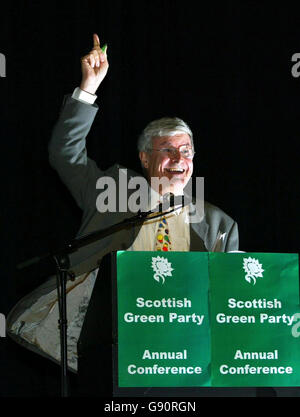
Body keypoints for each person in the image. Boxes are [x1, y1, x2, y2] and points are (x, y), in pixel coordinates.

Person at [7, 34, 238, 381]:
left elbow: (229, 297)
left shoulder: (220, 223)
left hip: (184, 344)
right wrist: (88, 87)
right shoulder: (112, 189)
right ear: (145, 158)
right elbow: (65, 153)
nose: (179, 159)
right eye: (168, 150)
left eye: (186, 151)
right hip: (110, 336)